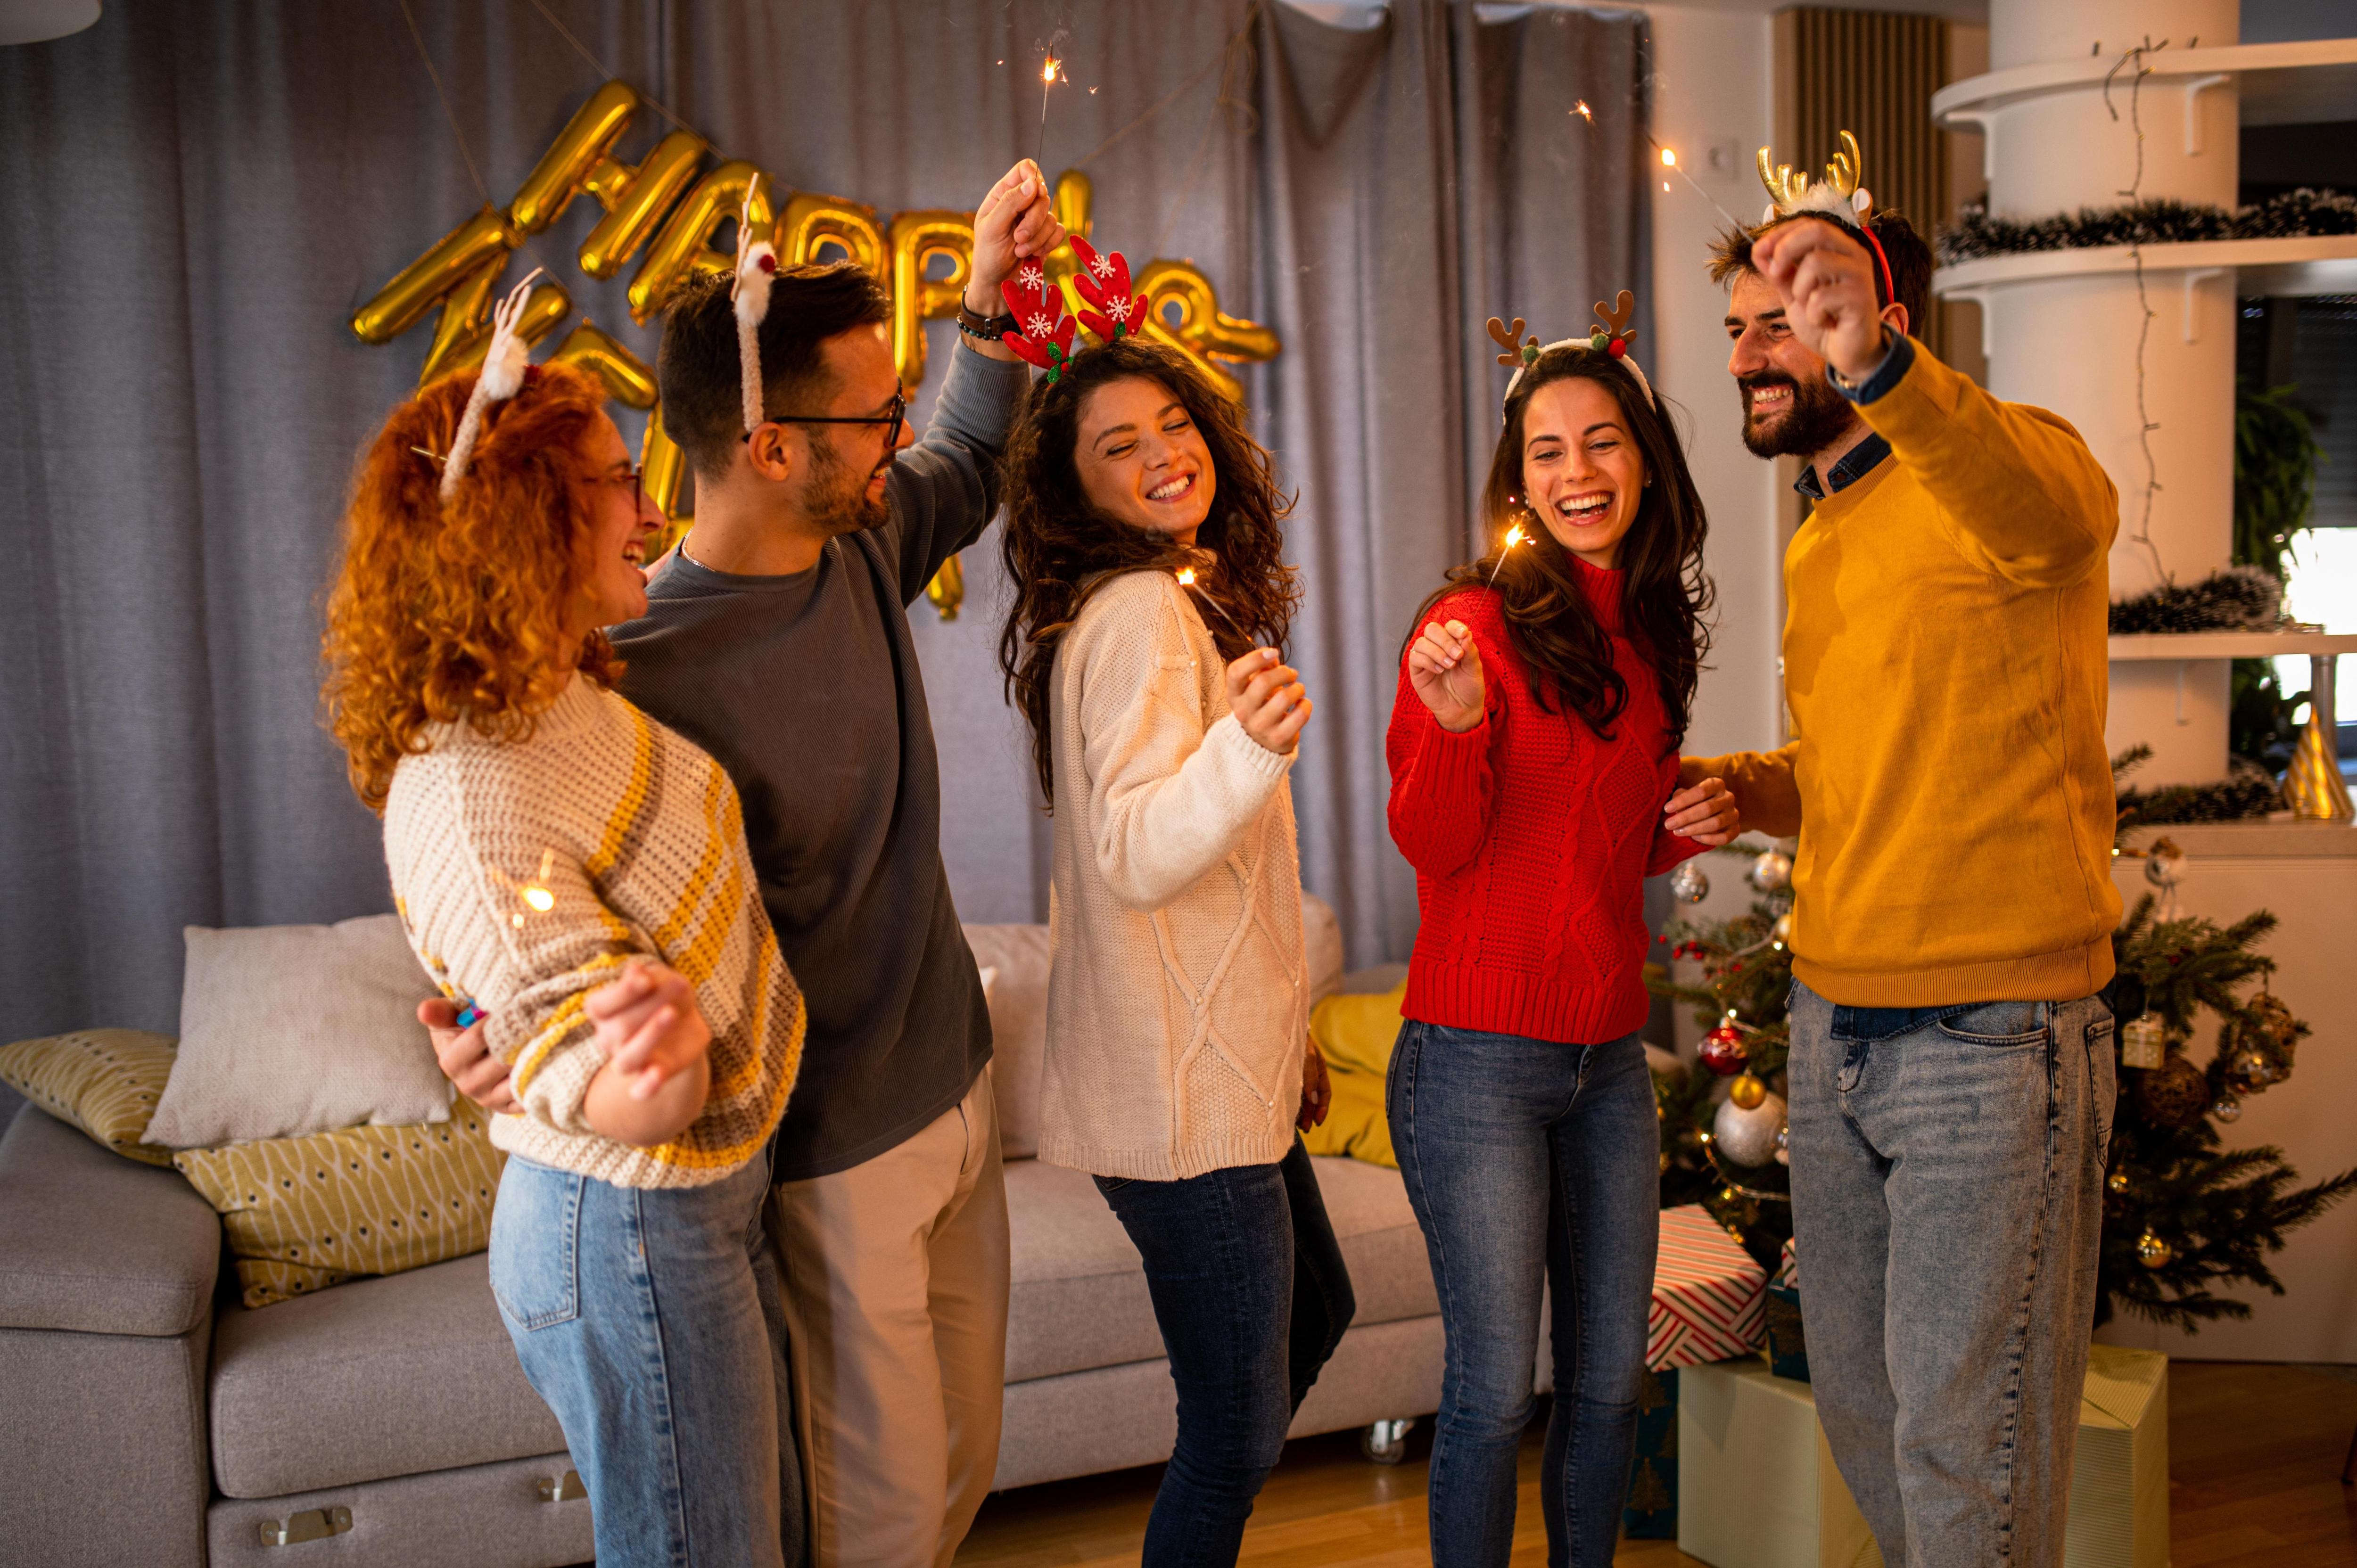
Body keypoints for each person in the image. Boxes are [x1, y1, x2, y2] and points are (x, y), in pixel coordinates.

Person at [426, 159, 1066, 1568]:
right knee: (879, 1529)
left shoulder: (860, 541)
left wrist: (990, 297)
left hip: (956, 1087)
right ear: (773, 448)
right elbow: (505, 855)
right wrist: (486, 1025)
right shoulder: (629, 674)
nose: (901, 435)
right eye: (876, 414)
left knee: (961, 1479)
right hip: (828, 1158)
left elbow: (967, 458)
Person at [1690, 147, 2121, 1567]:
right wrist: (1737, 789)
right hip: (1834, 1025)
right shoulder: (1824, 537)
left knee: (1967, 1452)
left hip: (1991, 1037)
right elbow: (1855, 762)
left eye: (1787, 321)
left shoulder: (2011, 466)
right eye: (1743, 329)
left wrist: (1878, 365)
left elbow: (2061, 519)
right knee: (1869, 1414)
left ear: (1880, 318)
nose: (1752, 356)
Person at [324, 338, 808, 1565]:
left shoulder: (557, 697)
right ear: (526, 522)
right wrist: (660, 1057)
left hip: (700, 1196)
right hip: (631, 1223)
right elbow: (604, 1081)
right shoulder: (472, 794)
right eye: (619, 480)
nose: (653, 510)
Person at [996, 316, 1355, 1565]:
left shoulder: (1176, 599)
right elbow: (1138, 853)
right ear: (1072, 489)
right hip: (1177, 1099)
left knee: (1316, 1316)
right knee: (1232, 1436)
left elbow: (1225, 896)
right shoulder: (1144, 610)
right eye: (1117, 446)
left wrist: (1284, 1035)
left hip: (1219, 1077)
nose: (1162, 455)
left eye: (1174, 424)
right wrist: (1249, 746)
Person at [1385, 312, 1740, 1567]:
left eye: (1602, 442)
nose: (1577, 472)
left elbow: (1605, 844)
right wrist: (1455, 727)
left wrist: (1690, 822)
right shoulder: (1468, 628)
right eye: (1547, 450)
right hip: (1472, 1058)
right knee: (1494, 1393)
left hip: (1607, 1064)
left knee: (1608, 1386)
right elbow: (1435, 843)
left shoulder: (1652, 637)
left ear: (1645, 457)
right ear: (1519, 476)